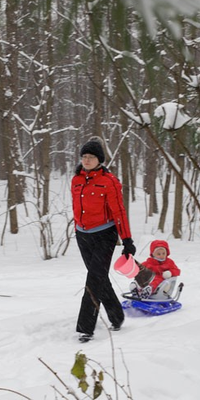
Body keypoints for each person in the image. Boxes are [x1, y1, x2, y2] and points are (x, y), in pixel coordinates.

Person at [71, 136, 136, 343]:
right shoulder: (76, 180)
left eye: (91, 157)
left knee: (93, 280)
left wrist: (126, 240)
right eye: (84, 157)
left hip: (104, 235)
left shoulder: (109, 182)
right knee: (98, 277)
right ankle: (116, 316)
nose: (87, 160)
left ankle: (85, 327)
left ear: (100, 160)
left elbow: (119, 212)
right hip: (82, 235)